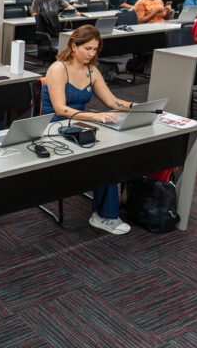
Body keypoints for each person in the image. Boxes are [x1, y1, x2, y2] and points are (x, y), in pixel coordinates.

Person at [41, 25, 134, 235]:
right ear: (74, 45)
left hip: (78, 127)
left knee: (116, 148)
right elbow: (61, 109)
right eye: (88, 49)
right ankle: (104, 216)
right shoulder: (58, 68)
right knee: (105, 157)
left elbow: (112, 101)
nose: (92, 54)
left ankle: (106, 203)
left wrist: (134, 107)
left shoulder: (91, 70)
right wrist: (94, 116)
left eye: (95, 50)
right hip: (54, 128)